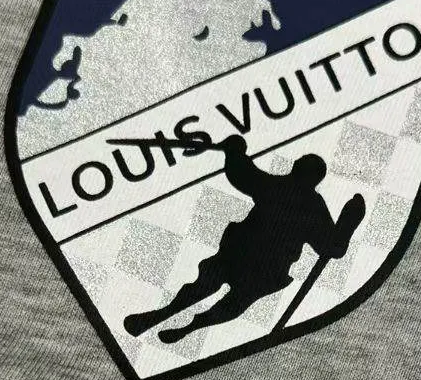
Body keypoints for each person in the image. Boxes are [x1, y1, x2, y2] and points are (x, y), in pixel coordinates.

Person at [125, 135, 364, 342]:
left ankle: (182, 323)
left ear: (299, 169)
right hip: (257, 262)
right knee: (226, 300)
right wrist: (347, 228)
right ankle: (175, 322)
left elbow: (244, 175)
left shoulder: (282, 190)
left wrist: (235, 151)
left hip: (252, 259)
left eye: (300, 165)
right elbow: (332, 247)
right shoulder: (311, 205)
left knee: (213, 292)